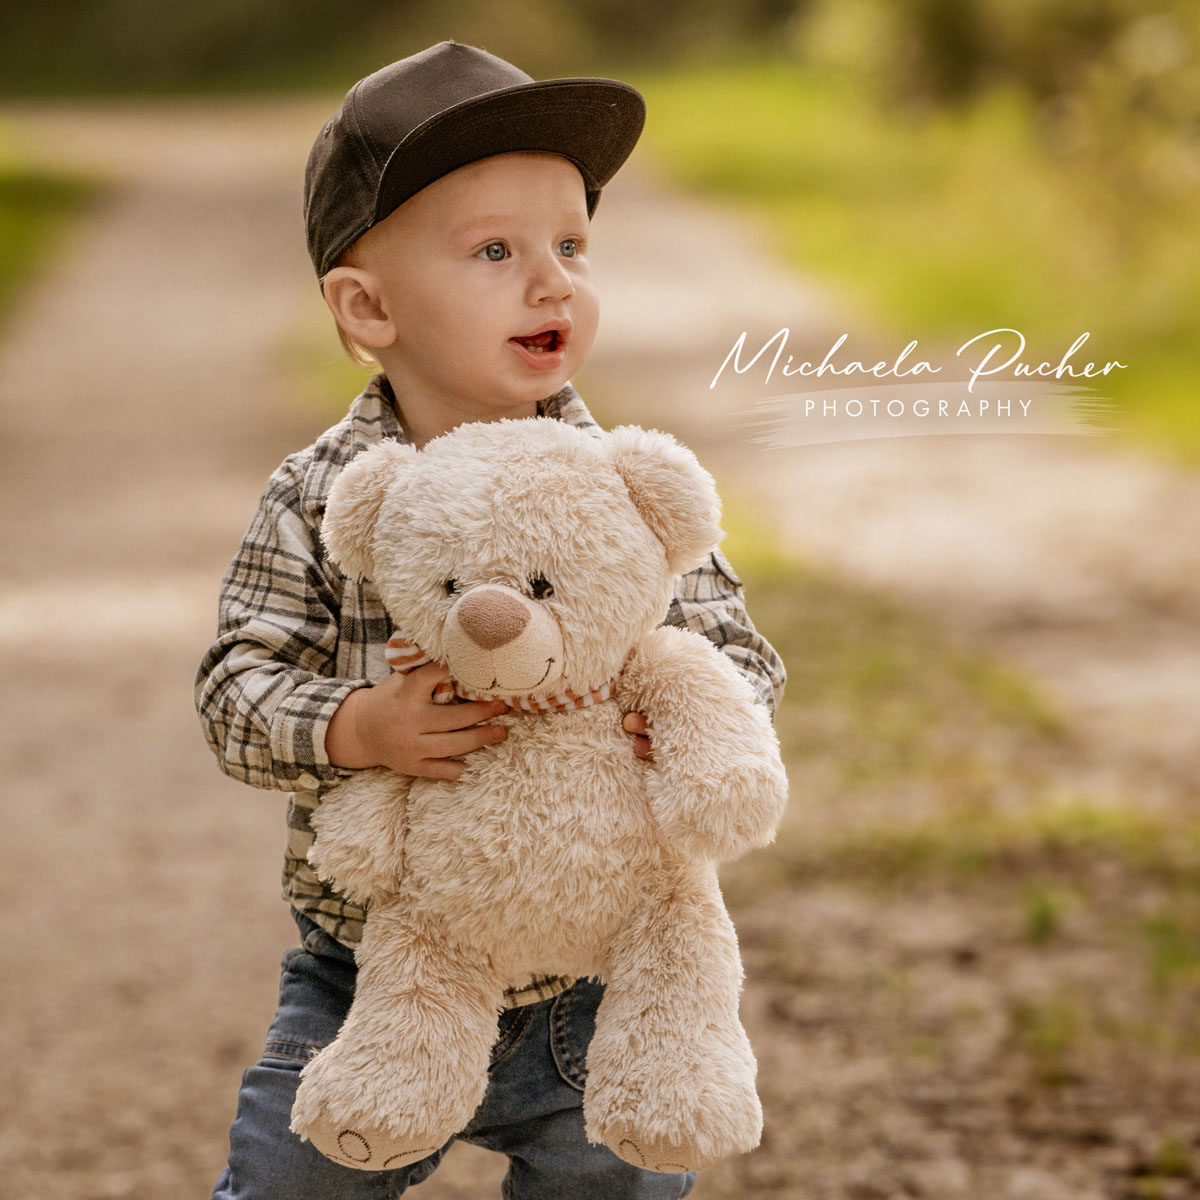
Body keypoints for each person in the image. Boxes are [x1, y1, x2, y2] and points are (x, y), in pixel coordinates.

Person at [195, 39, 786, 1200]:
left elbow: (736, 655)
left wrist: (677, 729)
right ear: (369, 307)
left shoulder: (618, 480)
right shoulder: (322, 493)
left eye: (571, 245)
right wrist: (358, 728)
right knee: (290, 1181)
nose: (553, 280)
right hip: (376, 971)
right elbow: (233, 688)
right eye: (496, 252)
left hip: (602, 975)